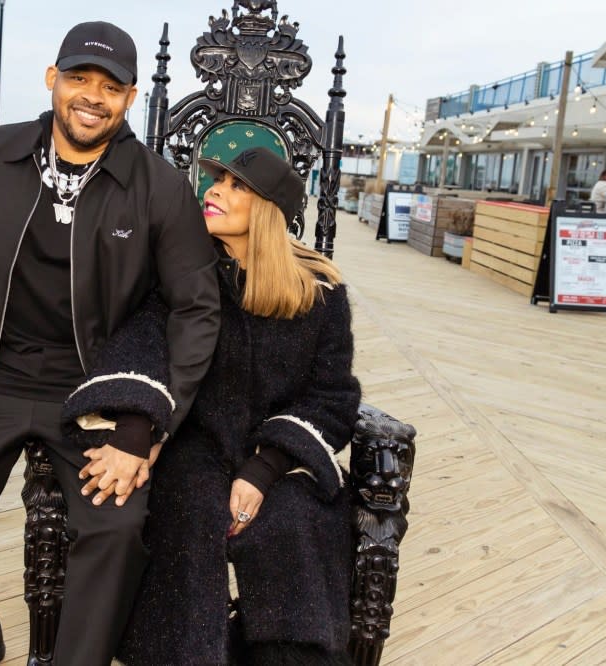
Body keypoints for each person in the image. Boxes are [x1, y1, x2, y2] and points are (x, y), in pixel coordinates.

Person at [0, 20, 220, 666]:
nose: (91, 97)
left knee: (117, 527)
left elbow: (196, 310)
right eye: (78, 79)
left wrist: (151, 423)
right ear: (52, 80)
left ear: (129, 100)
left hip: (97, 388)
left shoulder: (160, 188)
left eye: (110, 86)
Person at [64, 147, 361, 665]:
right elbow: (144, 341)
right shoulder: (185, 272)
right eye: (216, 180)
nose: (215, 190)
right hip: (194, 444)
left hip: (280, 456)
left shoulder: (321, 294)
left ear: (269, 210)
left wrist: (264, 469)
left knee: (294, 524)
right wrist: (137, 428)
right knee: (190, 515)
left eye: (235, 185)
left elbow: (331, 395)